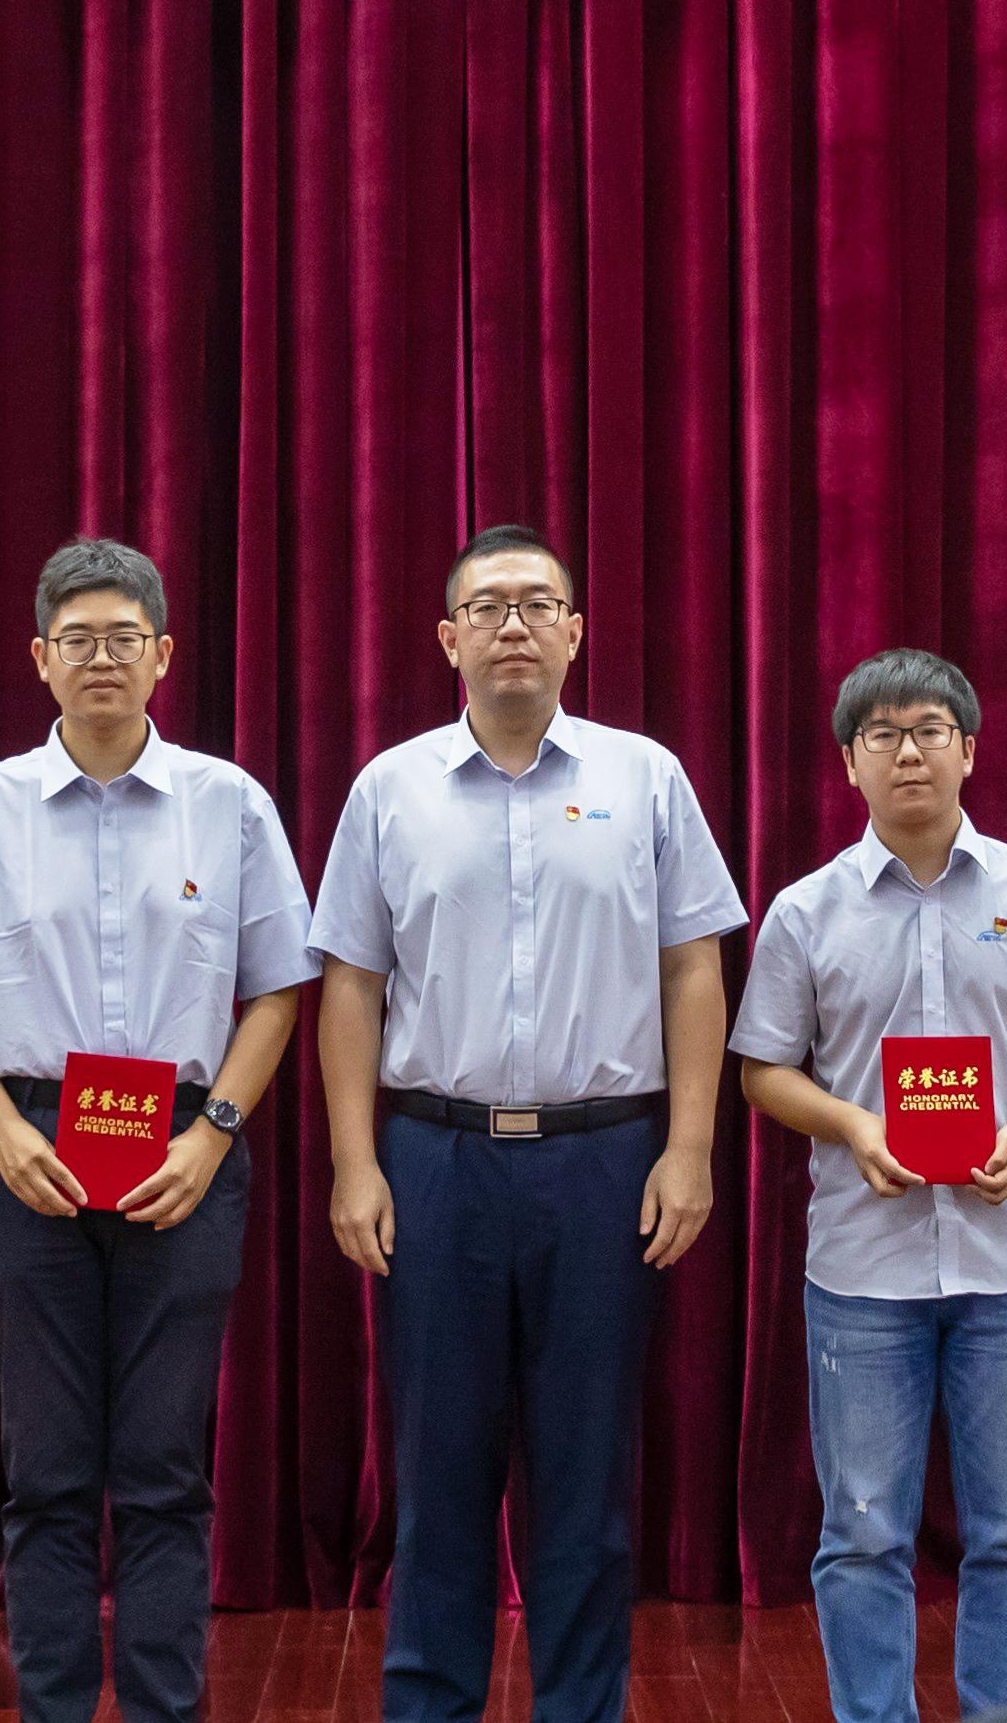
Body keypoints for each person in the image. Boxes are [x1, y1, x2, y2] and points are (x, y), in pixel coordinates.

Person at [311, 524, 747, 1723]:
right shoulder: (389, 787)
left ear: (574, 631)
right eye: (487, 605)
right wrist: (354, 1160)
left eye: (537, 603)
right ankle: (427, 1705)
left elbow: (693, 965)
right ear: (447, 637)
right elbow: (349, 981)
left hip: (603, 1160)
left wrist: (689, 1147)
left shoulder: (644, 777)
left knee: (586, 1476)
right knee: (437, 1473)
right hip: (435, 1159)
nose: (513, 623)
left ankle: (581, 1707)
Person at [0, 537, 318, 1723]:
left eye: (122, 637)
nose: (99, 658)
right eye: (74, 639)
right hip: (28, 1148)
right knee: (46, 1467)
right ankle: (54, 1703)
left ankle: (164, 1706)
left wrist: (213, 1133)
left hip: (186, 1150)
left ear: (162, 653)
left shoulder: (228, 803)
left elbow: (278, 987)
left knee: (163, 1465)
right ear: (38, 657)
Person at [733, 645, 1007, 1723]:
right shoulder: (805, 910)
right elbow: (762, 1068)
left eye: (928, 731)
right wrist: (853, 1122)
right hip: (862, 1269)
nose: (907, 752)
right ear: (848, 762)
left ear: (969, 749)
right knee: (862, 1531)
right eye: (882, 734)